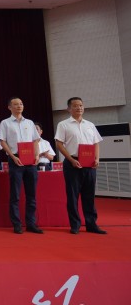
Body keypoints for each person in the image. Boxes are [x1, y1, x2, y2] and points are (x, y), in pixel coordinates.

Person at [55, 97, 106, 234]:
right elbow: (59, 144)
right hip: (72, 163)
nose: (79, 108)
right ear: (69, 109)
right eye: (75, 106)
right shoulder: (63, 125)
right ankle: (75, 225)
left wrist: (97, 158)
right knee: (73, 196)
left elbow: (96, 143)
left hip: (90, 163)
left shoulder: (90, 125)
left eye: (81, 105)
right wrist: (71, 159)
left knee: (89, 195)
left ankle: (91, 224)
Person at [0, 97, 43, 234]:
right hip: (15, 159)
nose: (19, 106)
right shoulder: (5, 123)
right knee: (15, 195)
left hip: (31, 160)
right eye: (16, 104)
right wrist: (12, 156)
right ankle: (17, 224)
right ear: (9, 107)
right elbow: (2, 141)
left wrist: (37, 155)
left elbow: (35, 140)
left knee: (31, 195)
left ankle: (31, 224)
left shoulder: (29, 122)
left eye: (21, 104)